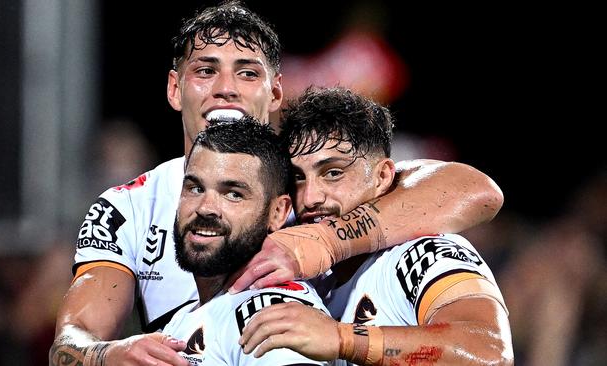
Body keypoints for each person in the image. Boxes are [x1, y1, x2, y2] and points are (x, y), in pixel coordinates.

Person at [51, 1, 504, 365]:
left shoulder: (313, 180)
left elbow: (474, 189)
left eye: (247, 72)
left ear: (275, 93)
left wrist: (326, 242)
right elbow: (72, 341)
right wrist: (105, 355)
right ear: (175, 89)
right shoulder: (127, 207)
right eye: (206, 70)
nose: (225, 87)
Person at [239, 87, 513, 365]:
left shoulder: (424, 252)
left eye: (333, 173)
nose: (310, 198)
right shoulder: (305, 276)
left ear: (382, 176)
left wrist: (343, 339)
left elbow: (489, 353)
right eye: (298, 177)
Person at [162, 117, 330, 365]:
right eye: (195, 188)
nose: (206, 208)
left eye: (233, 194)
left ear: (277, 213)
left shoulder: (271, 310)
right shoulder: (190, 312)